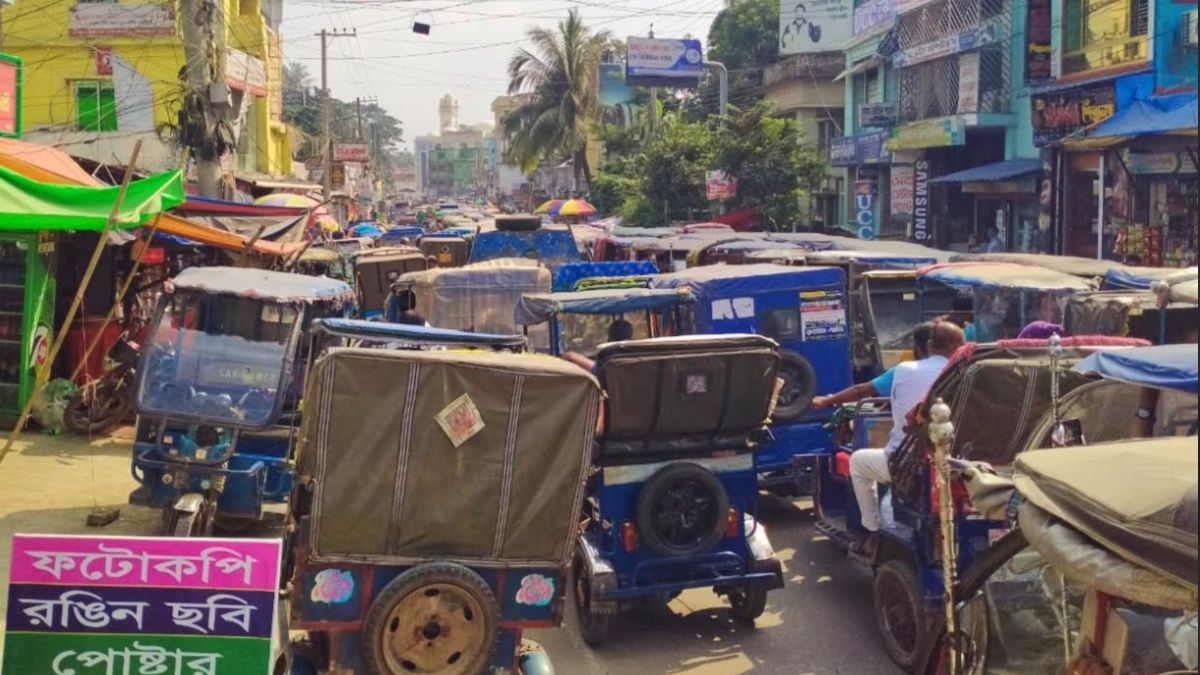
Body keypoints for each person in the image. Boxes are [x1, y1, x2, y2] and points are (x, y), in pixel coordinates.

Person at [848, 321, 965, 559]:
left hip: (910, 464)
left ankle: (872, 533)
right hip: (961, 461)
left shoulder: (904, 370)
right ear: (960, 347)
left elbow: (893, 410)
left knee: (857, 462)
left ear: (929, 345)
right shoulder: (969, 372)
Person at [811, 322, 935, 411]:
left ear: (919, 347)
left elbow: (860, 391)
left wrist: (827, 401)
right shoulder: (952, 368)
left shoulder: (905, 370)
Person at [562, 318, 634, 372]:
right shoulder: (638, 355)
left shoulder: (608, 358)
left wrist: (567, 356)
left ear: (610, 338)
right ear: (631, 337)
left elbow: (570, 356)